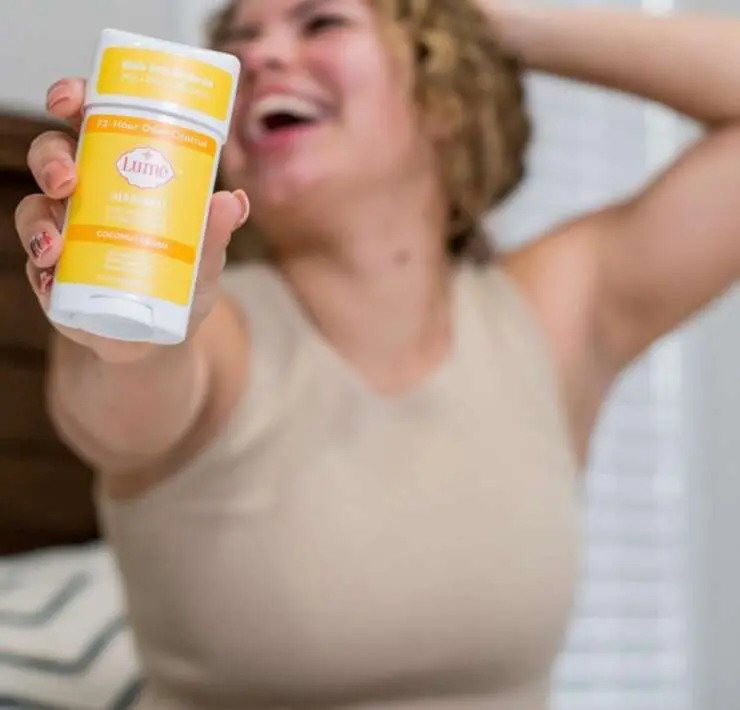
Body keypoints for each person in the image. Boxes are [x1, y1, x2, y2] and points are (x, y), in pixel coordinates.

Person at [14, 0, 740, 707]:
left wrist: (481, 19)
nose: (258, 55)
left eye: (321, 21)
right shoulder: (213, 331)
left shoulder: (550, 315)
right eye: (238, 41)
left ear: (445, 93)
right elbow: (121, 390)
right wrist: (123, 325)